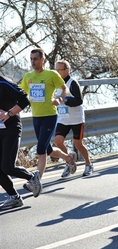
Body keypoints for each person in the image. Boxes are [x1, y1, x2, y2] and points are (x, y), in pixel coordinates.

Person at [20, 48, 77, 185]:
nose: (33, 62)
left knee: (40, 149)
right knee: (48, 149)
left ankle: (36, 180)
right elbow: (21, 93)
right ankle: (68, 158)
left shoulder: (51, 74)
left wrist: (59, 98)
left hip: (49, 116)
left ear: (42, 60)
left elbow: (65, 89)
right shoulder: (28, 77)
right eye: (31, 59)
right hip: (36, 117)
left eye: (35, 59)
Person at [0, 75, 42, 209]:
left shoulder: (3, 84)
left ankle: (31, 177)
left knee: (7, 167)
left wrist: (9, 113)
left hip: (11, 129)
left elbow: (25, 100)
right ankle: (14, 197)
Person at [54, 60, 93, 177]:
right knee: (58, 142)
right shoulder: (55, 83)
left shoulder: (72, 82)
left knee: (78, 144)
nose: (57, 72)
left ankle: (88, 164)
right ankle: (69, 162)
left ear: (67, 70)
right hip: (62, 118)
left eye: (60, 70)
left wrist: (66, 100)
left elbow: (79, 100)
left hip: (76, 118)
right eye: (56, 70)